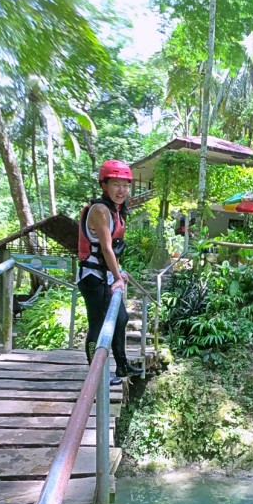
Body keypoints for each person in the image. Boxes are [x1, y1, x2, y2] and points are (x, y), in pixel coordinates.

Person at [78, 159, 142, 382]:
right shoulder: (100, 210)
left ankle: (122, 365)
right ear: (104, 185)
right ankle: (95, 376)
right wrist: (118, 278)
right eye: (116, 184)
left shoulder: (116, 211)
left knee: (121, 318)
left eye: (126, 185)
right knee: (97, 324)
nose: (122, 190)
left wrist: (118, 272)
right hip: (92, 277)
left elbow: (113, 250)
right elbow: (106, 247)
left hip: (105, 274)